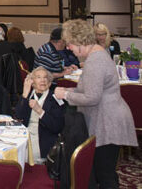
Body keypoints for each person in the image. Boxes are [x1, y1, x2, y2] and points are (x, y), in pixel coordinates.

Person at [55, 19, 137, 188]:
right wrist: (69, 91)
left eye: (70, 43)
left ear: (79, 40)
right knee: (105, 172)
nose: (68, 47)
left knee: (105, 174)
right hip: (106, 118)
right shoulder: (97, 55)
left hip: (108, 122)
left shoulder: (95, 60)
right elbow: (89, 90)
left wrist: (66, 94)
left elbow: (92, 97)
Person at [15, 67, 65, 163]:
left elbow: (57, 127)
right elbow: (18, 118)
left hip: (43, 139)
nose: (43, 80)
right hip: (25, 135)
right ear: (32, 82)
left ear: (49, 82)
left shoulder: (55, 99)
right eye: (38, 77)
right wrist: (24, 94)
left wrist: (40, 111)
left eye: (45, 77)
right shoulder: (28, 96)